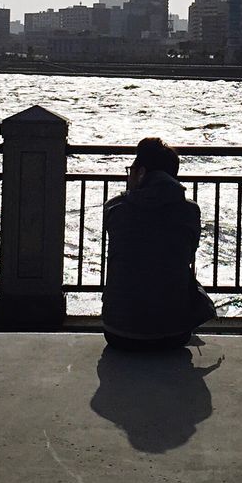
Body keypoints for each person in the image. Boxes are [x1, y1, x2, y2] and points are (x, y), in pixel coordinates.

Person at [101, 136, 215, 350]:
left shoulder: (115, 209)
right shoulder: (190, 211)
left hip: (119, 332)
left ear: (142, 173)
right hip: (174, 334)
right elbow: (188, 256)